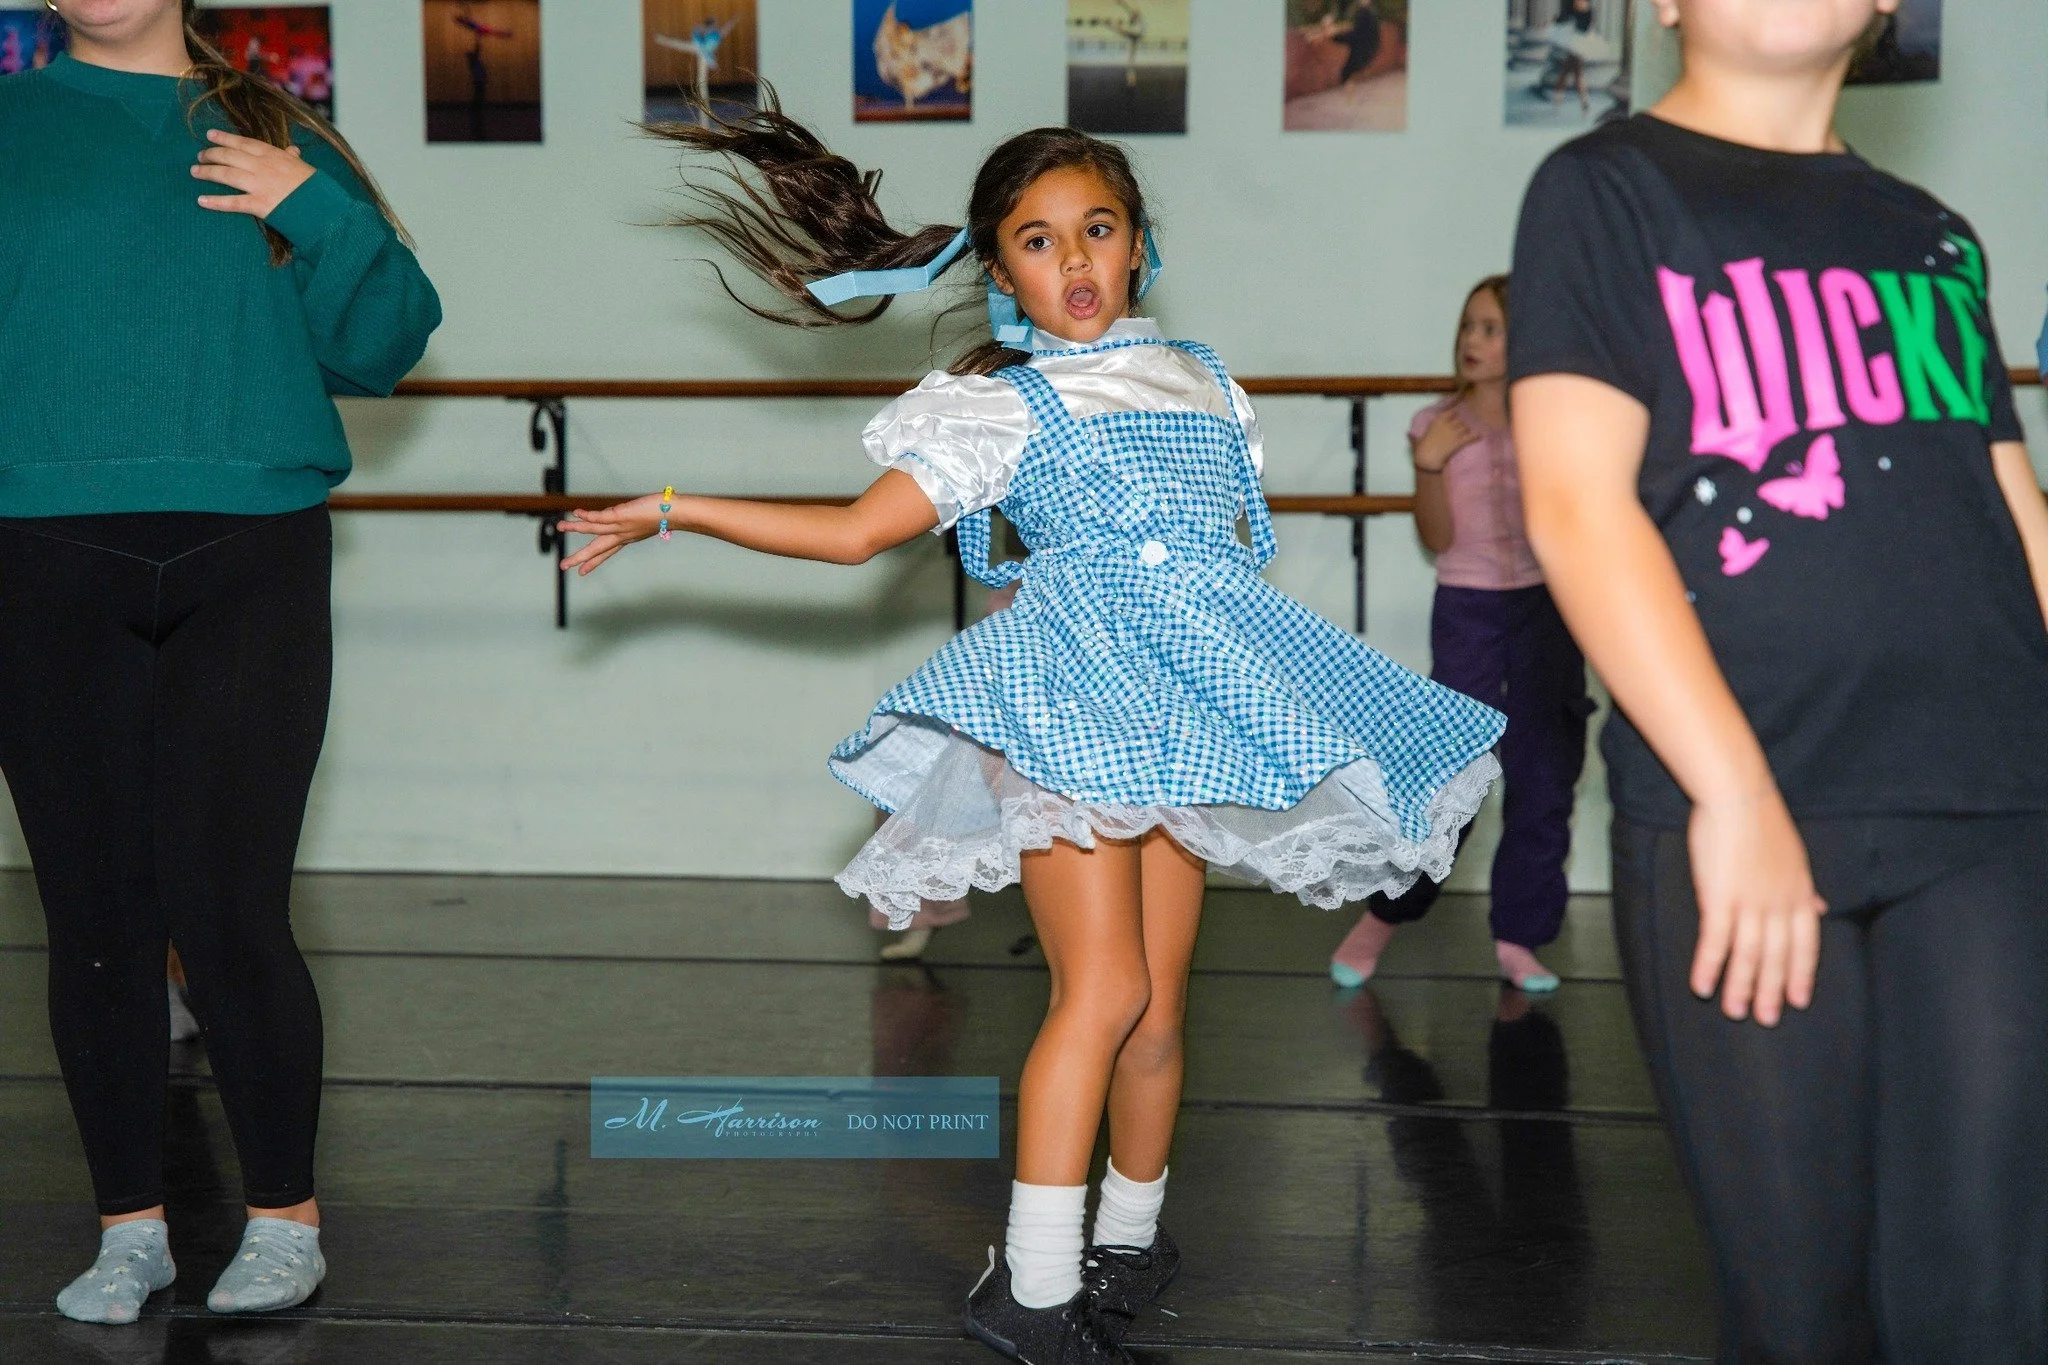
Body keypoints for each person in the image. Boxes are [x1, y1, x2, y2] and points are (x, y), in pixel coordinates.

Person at [561, 96, 1504, 1364]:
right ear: (998, 268)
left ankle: (1127, 1238)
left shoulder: (1203, 382)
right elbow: (851, 536)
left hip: (1181, 710)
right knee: (1101, 987)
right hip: (1063, 705)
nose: (1074, 262)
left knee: (1161, 1010)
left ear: (1136, 245)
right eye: (1038, 240)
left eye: (1096, 230)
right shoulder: (995, 410)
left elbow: (1211, 568)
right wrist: (674, 507)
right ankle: (1034, 1285)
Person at [1510, 0, 2048, 1357]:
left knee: (1983, 1302)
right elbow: (1579, 507)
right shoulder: (1605, 192)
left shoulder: (1930, 233)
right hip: (1741, 806)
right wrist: (1735, 792)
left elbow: (2014, 509)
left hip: (1986, 807)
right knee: (1802, 1309)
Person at [1, 0, 439, 1327]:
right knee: (93, 924)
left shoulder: (277, 127)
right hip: (41, 557)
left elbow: (385, 343)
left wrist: (318, 206)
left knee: (232, 909)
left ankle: (284, 1219)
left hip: (247, 557)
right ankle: (129, 1227)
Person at [1329, 276, 1590, 994]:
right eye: (1468, 327)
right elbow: (1437, 537)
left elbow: (1576, 524)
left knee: (1544, 775)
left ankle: (1519, 938)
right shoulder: (1434, 422)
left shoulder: (1553, 422)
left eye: (1491, 329)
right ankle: (1380, 919)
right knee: (1453, 779)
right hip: (1469, 609)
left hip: (1546, 611)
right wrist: (1429, 463)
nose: (1472, 341)